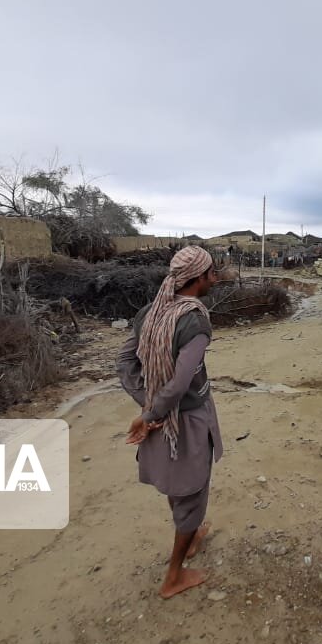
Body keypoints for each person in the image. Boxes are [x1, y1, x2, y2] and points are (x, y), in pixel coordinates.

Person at [116, 245, 221, 599]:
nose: (216, 278)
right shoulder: (194, 320)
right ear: (200, 278)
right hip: (186, 421)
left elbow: (124, 362)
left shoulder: (151, 311)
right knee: (192, 490)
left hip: (162, 418)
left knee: (178, 484)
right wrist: (150, 413)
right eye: (212, 273)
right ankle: (174, 575)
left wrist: (147, 402)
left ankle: (190, 539)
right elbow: (178, 382)